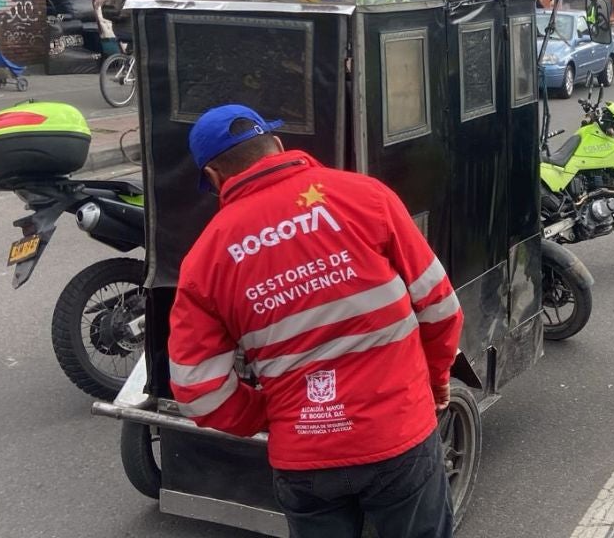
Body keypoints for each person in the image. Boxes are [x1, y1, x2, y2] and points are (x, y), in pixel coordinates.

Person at [169, 104, 462, 538]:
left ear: (214, 177)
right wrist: (435, 380)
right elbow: (439, 309)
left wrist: (272, 415)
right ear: (278, 146)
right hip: (396, 435)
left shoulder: (204, 260)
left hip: (304, 457)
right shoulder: (366, 196)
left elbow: (199, 393)